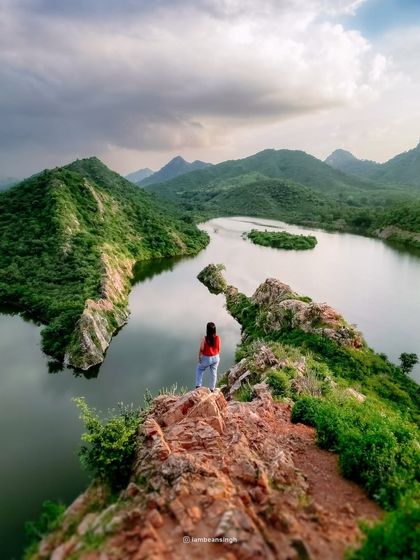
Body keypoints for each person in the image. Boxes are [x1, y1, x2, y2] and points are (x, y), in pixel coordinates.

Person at [195, 322, 221, 391]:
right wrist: (216, 356)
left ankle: (198, 386)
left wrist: (199, 358)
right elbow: (219, 349)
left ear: (207, 330)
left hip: (207, 358)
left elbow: (201, 349)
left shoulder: (204, 339)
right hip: (216, 357)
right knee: (214, 372)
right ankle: (212, 388)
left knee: (199, 369)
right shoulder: (217, 338)